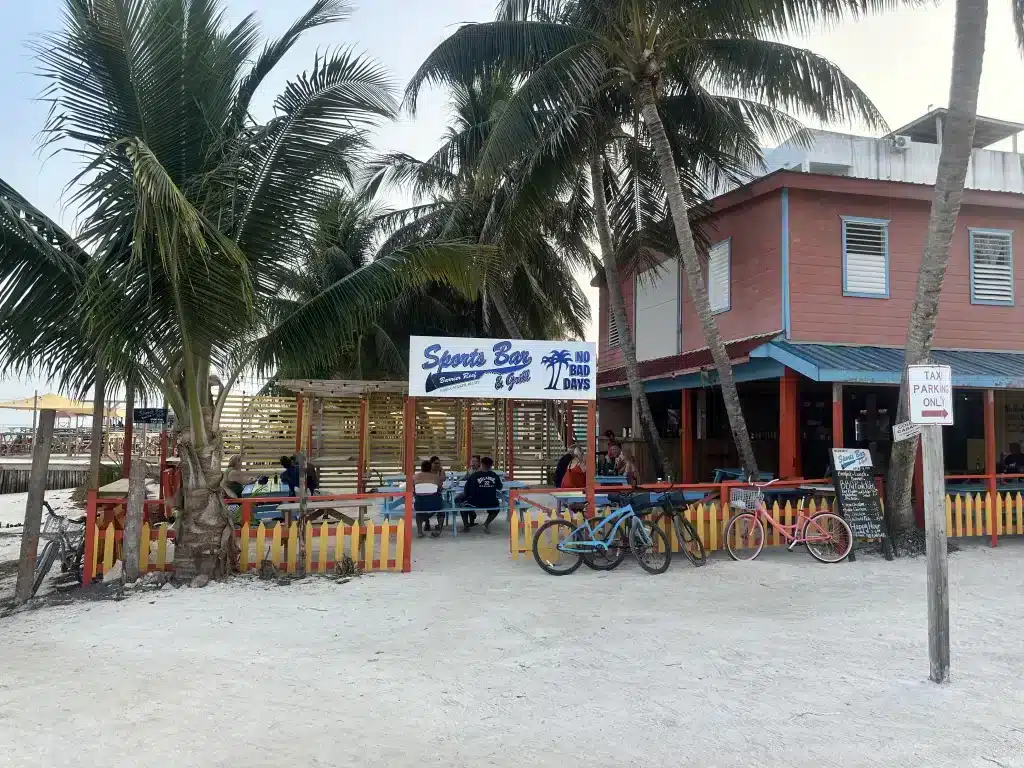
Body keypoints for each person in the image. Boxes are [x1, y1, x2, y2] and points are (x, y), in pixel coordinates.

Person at [459, 456, 504, 533]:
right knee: (497, 508)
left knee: (462, 506)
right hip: (491, 502)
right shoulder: (494, 475)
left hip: (475, 502)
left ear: (481, 464)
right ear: (491, 465)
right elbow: (500, 487)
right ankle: (486, 524)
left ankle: (466, 526)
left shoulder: (474, 476)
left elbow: (466, 490)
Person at [413, 459, 445, 538]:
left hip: (419, 504)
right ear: (430, 468)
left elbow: (413, 490)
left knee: (418, 512)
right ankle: (438, 531)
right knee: (442, 509)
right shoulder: (436, 477)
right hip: (434, 504)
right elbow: (440, 488)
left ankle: (420, 532)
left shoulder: (415, 477)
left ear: (421, 468)